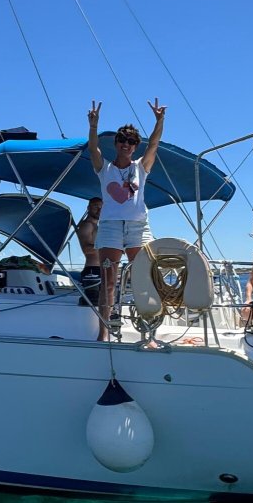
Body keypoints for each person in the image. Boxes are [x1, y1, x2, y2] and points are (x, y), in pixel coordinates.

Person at [87, 99, 166, 340]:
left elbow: (154, 144)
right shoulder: (105, 168)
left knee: (144, 280)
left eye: (132, 142)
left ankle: (148, 336)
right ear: (116, 143)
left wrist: (160, 120)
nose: (127, 144)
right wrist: (93, 125)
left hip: (137, 227)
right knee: (108, 282)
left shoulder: (142, 167)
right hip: (110, 227)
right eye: (123, 140)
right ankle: (103, 334)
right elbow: (93, 149)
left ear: (135, 146)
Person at [75, 197, 103, 307]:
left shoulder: (96, 226)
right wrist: (108, 249)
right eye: (96, 207)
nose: (99, 210)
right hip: (92, 271)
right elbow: (87, 249)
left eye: (102, 208)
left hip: (99, 269)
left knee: (102, 303)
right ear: (88, 208)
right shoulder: (87, 225)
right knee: (93, 305)